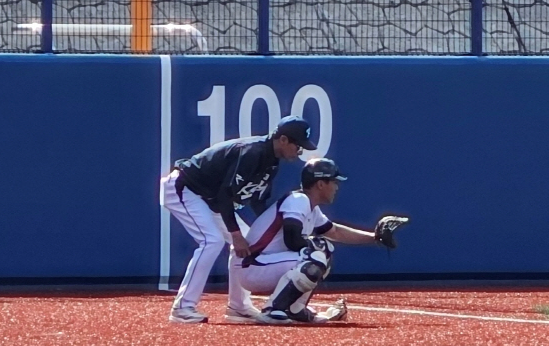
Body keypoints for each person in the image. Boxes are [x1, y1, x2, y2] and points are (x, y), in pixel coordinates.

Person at [160, 115, 314, 324]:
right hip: (185, 188)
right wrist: (235, 234)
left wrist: (268, 230)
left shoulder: (272, 163)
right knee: (212, 241)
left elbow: (258, 203)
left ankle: (238, 307)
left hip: (209, 199)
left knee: (246, 244)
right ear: (283, 140)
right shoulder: (253, 152)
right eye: (298, 144)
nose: (300, 151)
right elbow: (225, 195)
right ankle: (183, 308)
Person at [236, 157, 409, 324]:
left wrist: (374, 237)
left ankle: (295, 309)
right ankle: (273, 310)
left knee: (322, 250)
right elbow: (292, 239)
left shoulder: (310, 206)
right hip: (253, 265)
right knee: (316, 254)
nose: (337, 187)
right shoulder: (298, 200)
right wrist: (313, 247)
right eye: (334, 182)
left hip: (264, 263)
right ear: (320, 184)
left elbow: (335, 232)